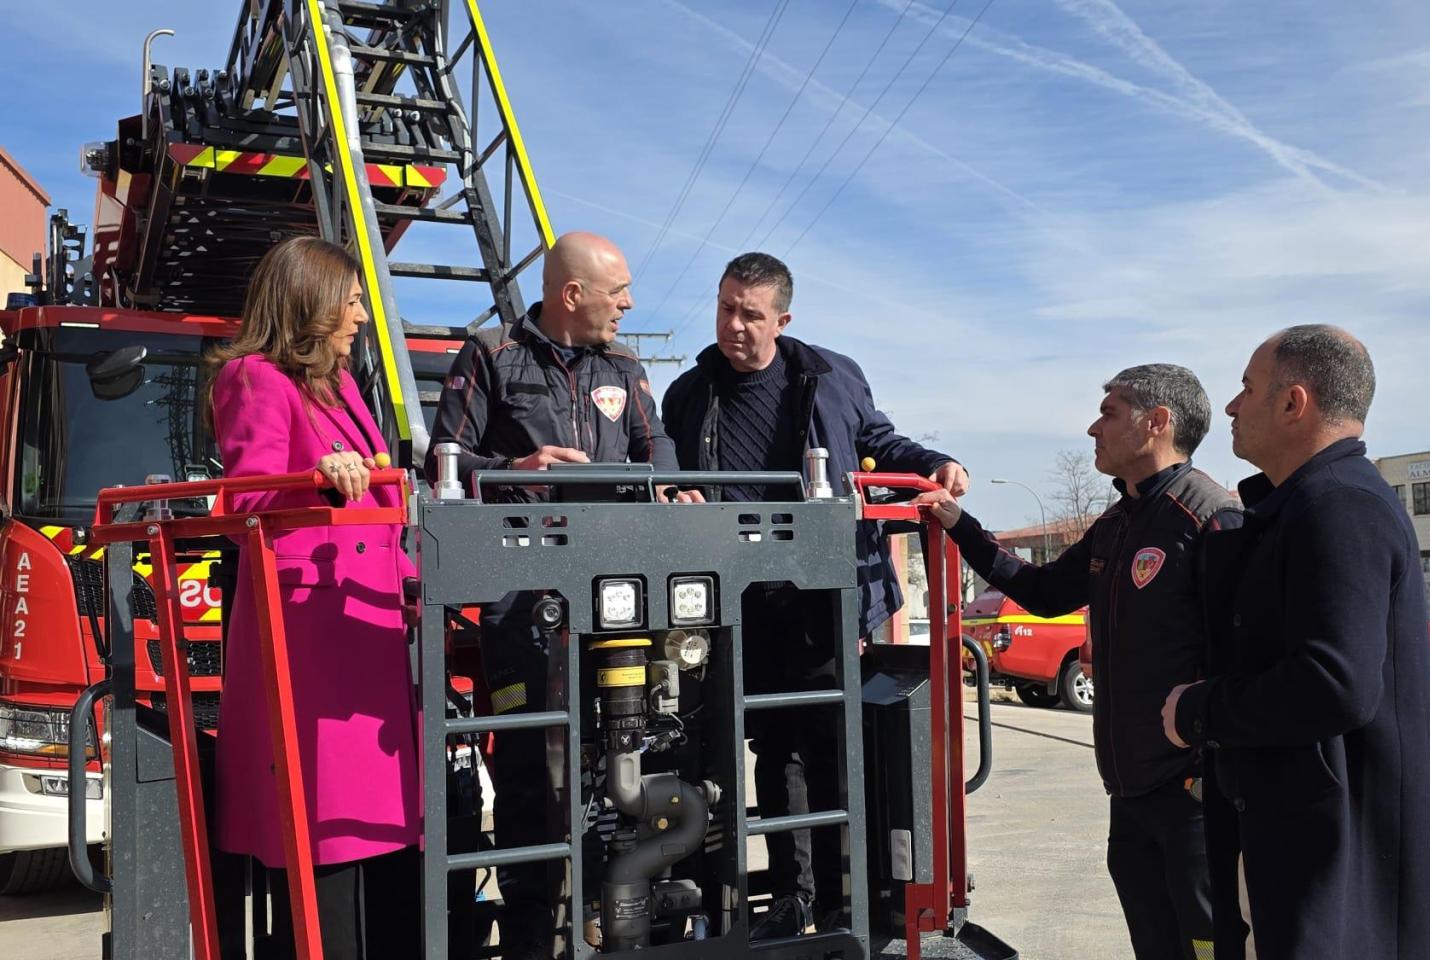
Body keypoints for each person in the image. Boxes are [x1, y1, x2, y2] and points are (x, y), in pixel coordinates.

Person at [1160, 325, 1430, 960]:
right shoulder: (1307, 504)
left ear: (1294, 403)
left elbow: (1334, 683)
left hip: (1335, 849)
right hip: (1302, 833)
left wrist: (1197, 710)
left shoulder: (1340, 505)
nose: (1232, 406)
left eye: (1247, 388)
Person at [661, 252, 968, 937]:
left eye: (750, 314)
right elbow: (667, 471)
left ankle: (839, 900)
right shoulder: (688, 393)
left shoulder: (831, 377)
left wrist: (933, 465)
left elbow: (880, 442)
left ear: (783, 319)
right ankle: (792, 897)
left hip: (822, 594)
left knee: (832, 749)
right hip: (736, 601)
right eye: (724, 307)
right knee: (771, 751)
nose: (733, 325)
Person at [917, 364, 1240, 960]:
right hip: (1131, 792)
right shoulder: (1118, 523)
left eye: (1109, 412)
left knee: (1209, 947)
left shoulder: (1211, 517)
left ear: (1157, 423)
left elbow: (1244, 659)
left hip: (1193, 798)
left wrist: (1207, 768)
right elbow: (1041, 592)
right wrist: (960, 525)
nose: (1094, 427)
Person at [428, 231, 689, 956]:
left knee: (633, 752)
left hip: (617, 599)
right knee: (525, 774)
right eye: (620, 291)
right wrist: (520, 463)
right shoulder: (490, 355)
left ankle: (624, 916)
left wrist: (667, 482)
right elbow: (441, 460)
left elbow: (654, 447)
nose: (629, 304)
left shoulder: (626, 366)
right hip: (522, 606)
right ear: (572, 295)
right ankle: (531, 937)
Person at [206, 236, 420, 959]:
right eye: (351, 297)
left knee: (383, 828)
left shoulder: (342, 385)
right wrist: (320, 472)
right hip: (306, 636)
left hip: (365, 621)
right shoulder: (253, 377)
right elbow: (245, 501)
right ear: (312, 300)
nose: (361, 312)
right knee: (325, 823)